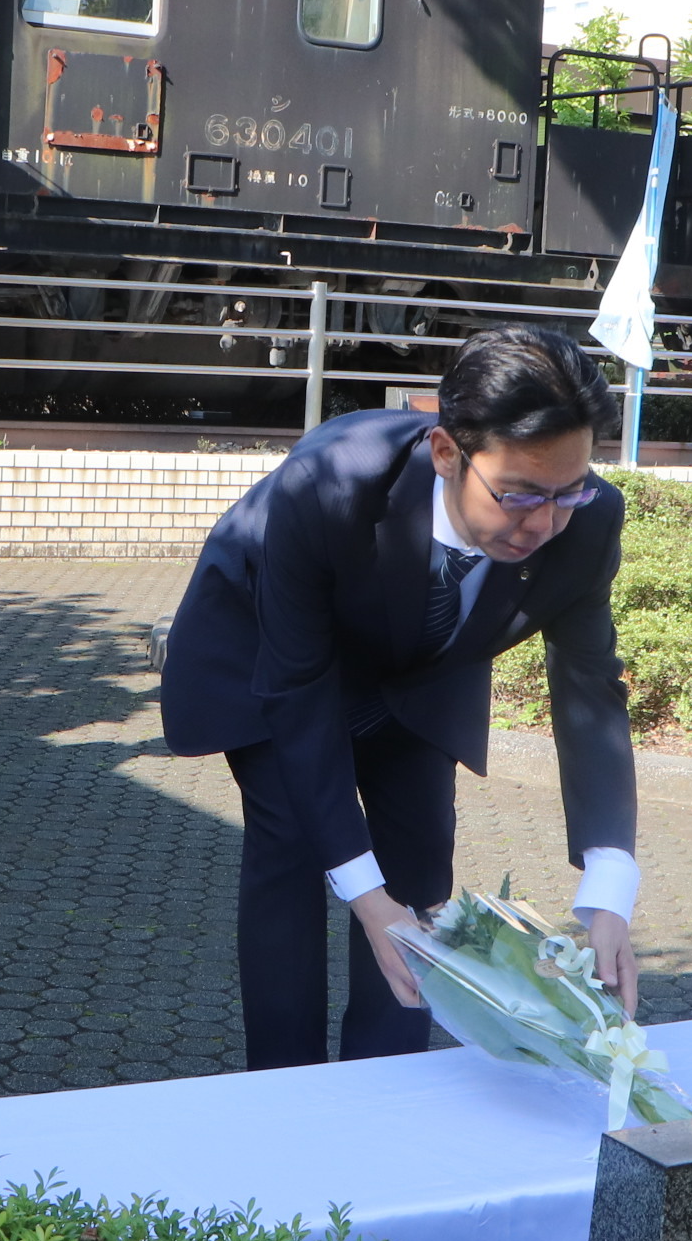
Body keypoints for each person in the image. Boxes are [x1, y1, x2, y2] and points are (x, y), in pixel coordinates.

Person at [161, 326, 644, 1071]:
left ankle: (390, 1085)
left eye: (566, 492)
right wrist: (361, 891)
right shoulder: (328, 479)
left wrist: (609, 885)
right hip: (269, 653)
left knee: (418, 868)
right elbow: (299, 688)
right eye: (518, 495)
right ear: (447, 452)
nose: (544, 523)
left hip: (420, 671)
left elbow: (590, 687)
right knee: (296, 843)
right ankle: (285, 1091)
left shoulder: (587, 520)